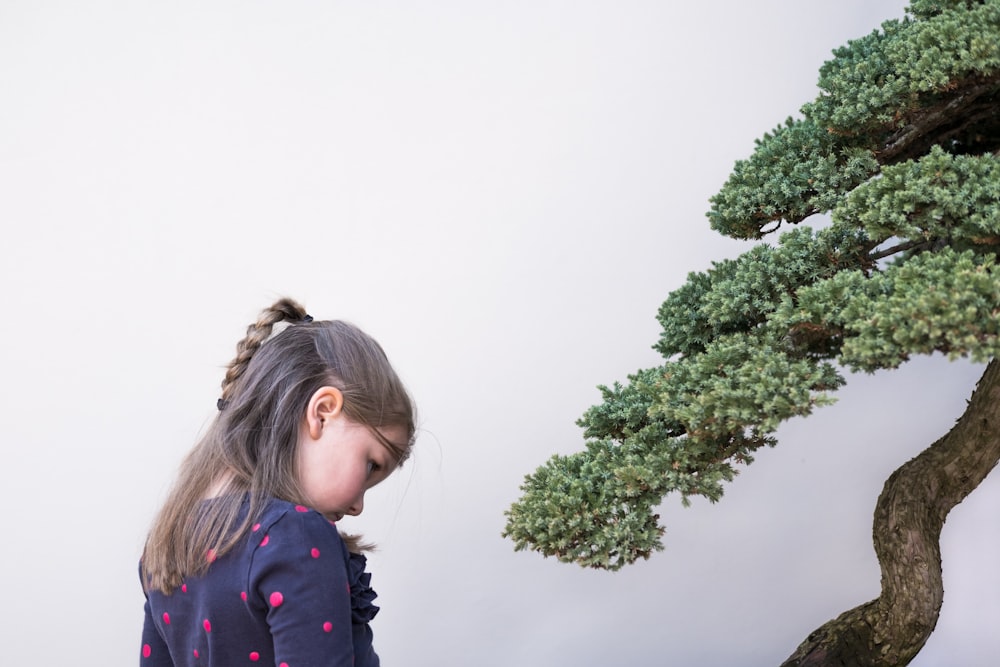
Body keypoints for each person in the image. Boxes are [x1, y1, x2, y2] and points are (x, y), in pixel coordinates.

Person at [139, 298, 415, 666]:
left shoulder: (169, 539)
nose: (357, 506)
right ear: (322, 412)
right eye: (370, 467)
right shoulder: (295, 535)